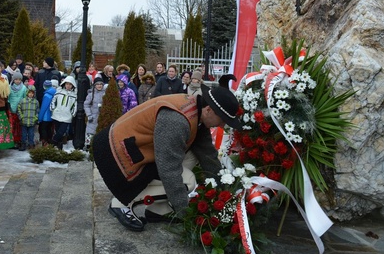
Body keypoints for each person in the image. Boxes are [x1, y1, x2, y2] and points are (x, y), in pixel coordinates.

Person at [93, 87, 242, 232]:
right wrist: (186, 214)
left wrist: (225, 192)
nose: (222, 125)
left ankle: (158, 210)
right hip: (112, 154)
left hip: (131, 149)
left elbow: (208, 155)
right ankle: (120, 202)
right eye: (222, 120)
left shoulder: (197, 112)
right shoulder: (177, 121)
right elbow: (168, 170)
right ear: (209, 110)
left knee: (193, 156)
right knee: (187, 181)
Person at [50, 75, 77, 150]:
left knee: (61, 132)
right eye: (67, 84)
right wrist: (52, 108)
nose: (68, 86)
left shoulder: (74, 95)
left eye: (70, 84)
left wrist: (73, 113)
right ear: (64, 84)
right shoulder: (59, 91)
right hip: (57, 114)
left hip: (66, 116)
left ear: (73, 85)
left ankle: (52, 143)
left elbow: (75, 105)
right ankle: (59, 146)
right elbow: (54, 100)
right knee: (58, 131)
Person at [83, 76, 105, 150]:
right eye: (97, 84)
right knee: (90, 132)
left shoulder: (105, 94)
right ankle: (88, 147)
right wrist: (89, 114)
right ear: (94, 85)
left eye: (101, 84)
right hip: (92, 116)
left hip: (102, 117)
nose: (99, 85)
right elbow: (86, 105)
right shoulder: (91, 94)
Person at [8, 71, 27, 149]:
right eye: (16, 79)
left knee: (18, 127)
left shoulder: (24, 88)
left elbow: (25, 98)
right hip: (11, 110)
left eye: (19, 79)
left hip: (19, 110)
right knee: (11, 126)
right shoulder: (9, 87)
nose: (18, 81)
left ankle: (18, 141)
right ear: (13, 79)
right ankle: (11, 141)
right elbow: (8, 98)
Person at [17, 85, 39, 150]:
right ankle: (23, 144)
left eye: (32, 93)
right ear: (27, 93)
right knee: (23, 134)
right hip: (24, 121)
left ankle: (31, 144)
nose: (30, 94)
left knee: (31, 134)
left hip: (32, 122)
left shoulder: (36, 102)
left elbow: (37, 111)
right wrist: (21, 117)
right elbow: (19, 109)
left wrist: (35, 118)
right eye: (29, 93)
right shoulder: (22, 101)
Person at [38, 80, 57, 146]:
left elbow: (44, 107)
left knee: (44, 129)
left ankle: (45, 142)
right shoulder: (55, 93)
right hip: (52, 115)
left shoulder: (47, 95)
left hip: (45, 116)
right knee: (49, 129)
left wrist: (40, 118)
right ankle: (50, 141)